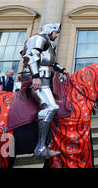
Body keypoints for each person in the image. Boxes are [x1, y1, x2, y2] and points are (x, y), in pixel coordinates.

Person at [20, 22, 69, 159]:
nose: (57, 35)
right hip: (36, 78)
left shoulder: (49, 44)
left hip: (46, 78)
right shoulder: (38, 39)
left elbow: (51, 63)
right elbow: (30, 57)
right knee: (50, 107)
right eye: (56, 32)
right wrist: (35, 77)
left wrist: (62, 70)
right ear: (49, 31)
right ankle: (40, 148)